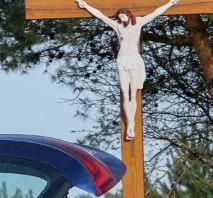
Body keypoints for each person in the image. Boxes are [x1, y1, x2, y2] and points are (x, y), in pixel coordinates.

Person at [76, 0, 180, 140]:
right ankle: (130, 123)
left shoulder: (139, 22)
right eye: (120, 17)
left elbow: (156, 13)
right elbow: (101, 16)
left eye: (123, 16)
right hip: (122, 61)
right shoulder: (117, 25)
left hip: (135, 61)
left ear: (128, 14)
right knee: (125, 93)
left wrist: (170, 3)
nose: (121, 19)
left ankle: (132, 124)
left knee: (133, 94)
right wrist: (86, 6)